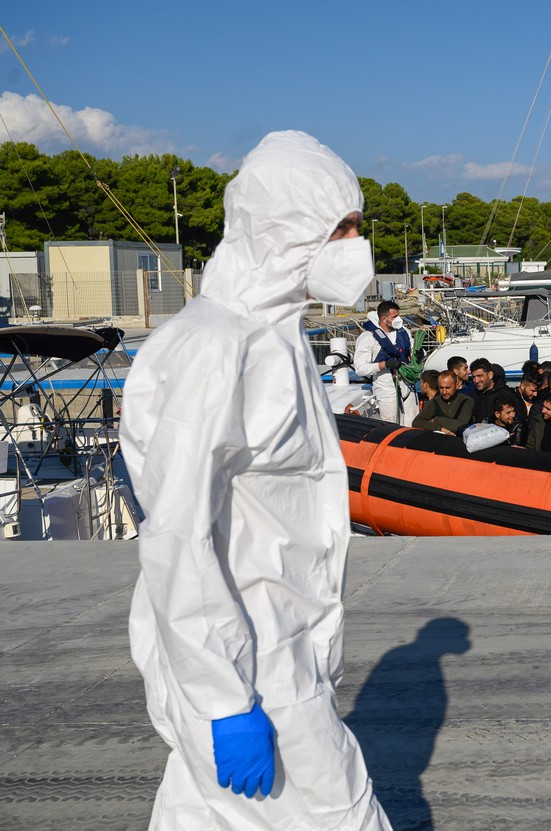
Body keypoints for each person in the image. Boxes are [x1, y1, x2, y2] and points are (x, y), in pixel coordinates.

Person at [119, 131, 389, 828]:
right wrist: (224, 699)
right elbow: (178, 532)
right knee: (344, 813)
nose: (356, 243)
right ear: (286, 232)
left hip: (278, 647)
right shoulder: (217, 346)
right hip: (254, 664)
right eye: (342, 227)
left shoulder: (275, 336)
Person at [353, 300, 418, 425]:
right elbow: (360, 368)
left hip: (407, 385)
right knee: (391, 423)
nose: (398, 319)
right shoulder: (368, 338)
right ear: (384, 318)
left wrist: (420, 354)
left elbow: (413, 350)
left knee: (412, 421)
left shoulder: (403, 332)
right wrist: (385, 365)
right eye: (394, 317)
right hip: (386, 388)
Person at [470, 358, 524, 426]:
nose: (476, 380)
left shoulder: (507, 394)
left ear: (490, 375)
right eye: (473, 377)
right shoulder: (472, 397)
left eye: (479, 376)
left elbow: (520, 419)